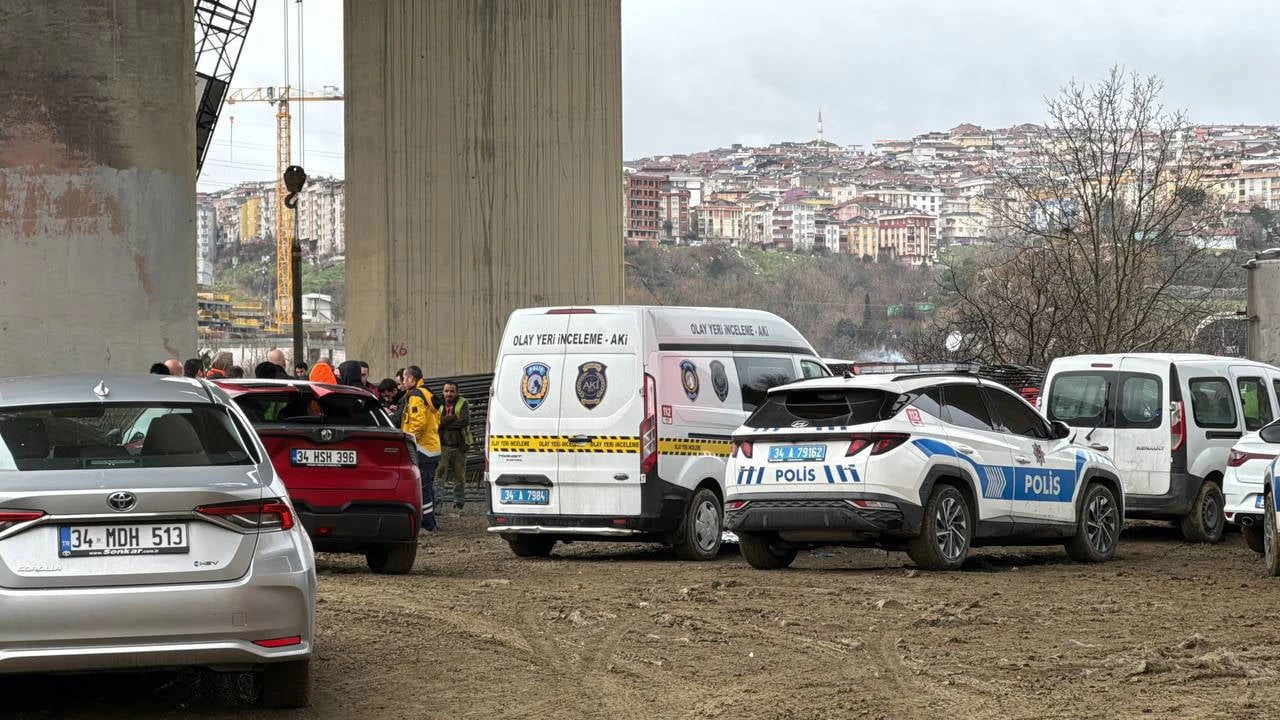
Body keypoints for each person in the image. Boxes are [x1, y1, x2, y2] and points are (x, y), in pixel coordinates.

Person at [400, 366, 440, 532]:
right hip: (431, 447)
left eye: (404, 378)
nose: (402, 381)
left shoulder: (416, 396)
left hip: (422, 448)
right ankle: (430, 522)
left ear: (411, 379)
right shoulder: (427, 393)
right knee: (427, 487)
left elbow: (418, 424)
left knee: (423, 488)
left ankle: (427, 524)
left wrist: (408, 440)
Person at [435, 381, 472, 511]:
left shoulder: (463, 403)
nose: (448, 394)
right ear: (443, 392)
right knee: (439, 476)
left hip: (459, 446)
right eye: (446, 391)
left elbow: (464, 420)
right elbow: (436, 422)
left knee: (459, 477)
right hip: (442, 445)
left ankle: (458, 504)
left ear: (456, 392)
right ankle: (437, 504)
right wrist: (454, 418)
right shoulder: (438, 404)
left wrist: (444, 422)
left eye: (451, 391)